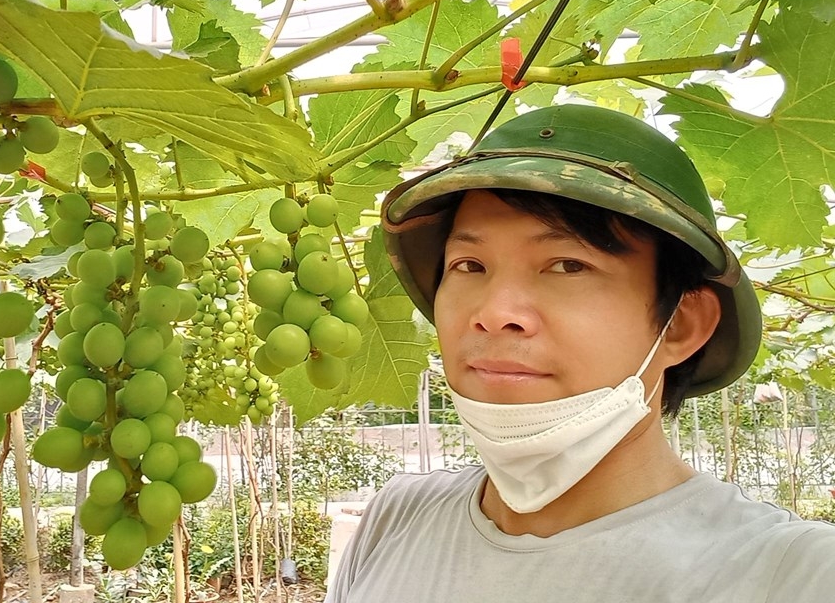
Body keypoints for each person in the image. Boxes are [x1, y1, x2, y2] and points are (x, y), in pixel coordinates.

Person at [324, 103, 835, 602]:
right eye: (468, 265)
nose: (495, 312)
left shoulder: (790, 573)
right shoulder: (396, 516)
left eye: (567, 265)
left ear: (680, 323)